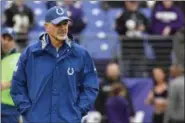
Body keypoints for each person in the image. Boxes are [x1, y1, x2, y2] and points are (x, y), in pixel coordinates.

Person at [10, 6, 99, 123]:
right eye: (58, 24)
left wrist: (78, 111)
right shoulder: (30, 53)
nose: (63, 28)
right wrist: (28, 111)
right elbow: (17, 86)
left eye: (65, 23)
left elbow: (91, 87)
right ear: (46, 26)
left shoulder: (81, 54)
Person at [1, 28, 21, 123]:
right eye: (3, 38)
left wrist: (7, 84)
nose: (5, 42)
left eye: (9, 39)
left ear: (14, 42)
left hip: (11, 107)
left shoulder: (21, 58)